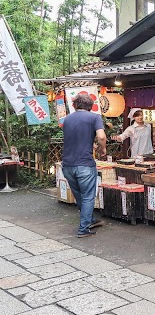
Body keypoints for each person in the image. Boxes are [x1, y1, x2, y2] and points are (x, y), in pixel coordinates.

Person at [62, 93, 107, 238]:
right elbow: (101, 136)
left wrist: (91, 144)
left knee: (80, 196)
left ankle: (91, 220)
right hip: (85, 164)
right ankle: (83, 229)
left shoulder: (67, 119)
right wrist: (103, 148)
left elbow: (75, 139)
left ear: (75, 105)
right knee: (88, 196)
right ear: (91, 106)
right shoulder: (94, 117)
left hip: (67, 164)